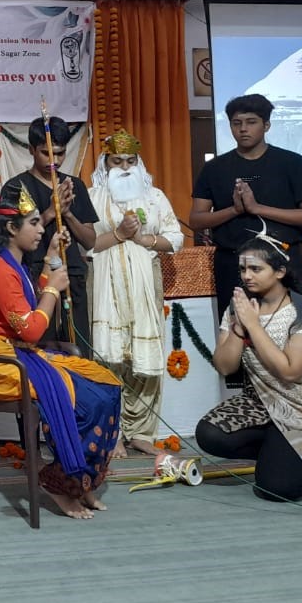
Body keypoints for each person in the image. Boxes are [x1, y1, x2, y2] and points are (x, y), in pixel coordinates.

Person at [0, 178, 123, 519]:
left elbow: (27, 308)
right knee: (83, 397)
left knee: (106, 387)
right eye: (34, 223)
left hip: (18, 355)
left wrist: (50, 259)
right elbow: (33, 329)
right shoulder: (0, 271)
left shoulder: (12, 265)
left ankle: (81, 480)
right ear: (11, 227)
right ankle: (61, 482)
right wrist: (52, 289)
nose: (41, 228)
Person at [195, 235, 302, 500]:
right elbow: (225, 367)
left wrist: (254, 325)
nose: (246, 276)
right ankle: (282, 453)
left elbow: (291, 371)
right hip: (263, 401)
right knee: (210, 434)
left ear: (280, 271)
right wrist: (239, 327)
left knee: (274, 489)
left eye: (255, 269)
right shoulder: (240, 308)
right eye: (242, 269)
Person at [88, 129, 184, 457]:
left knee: (145, 362)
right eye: (118, 161)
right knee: (108, 358)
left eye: (131, 161)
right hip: (104, 283)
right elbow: (84, 243)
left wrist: (145, 240)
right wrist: (118, 234)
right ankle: (110, 433)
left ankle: (142, 432)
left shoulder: (154, 197)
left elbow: (175, 237)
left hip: (145, 281)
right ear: (106, 163)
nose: (125, 167)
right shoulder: (92, 197)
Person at [189, 93, 302, 321]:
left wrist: (257, 208)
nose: (243, 129)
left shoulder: (291, 162)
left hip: (281, 261)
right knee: (236, 333)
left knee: (288, 331)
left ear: (266, 125)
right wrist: (235, 210)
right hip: (233, 264)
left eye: (251, 122)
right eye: (236, 123)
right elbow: (196, 220)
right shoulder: (215, 168)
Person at [9, 116, 97, 355]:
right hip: (35, 277)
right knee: (41, 350)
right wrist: (50, 212)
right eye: (46, 153)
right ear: (31, 150)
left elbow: (90, 241)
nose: (54, 161)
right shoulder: (16, 188)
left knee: (78, 351)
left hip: (72, 277)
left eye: (60, 153)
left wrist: (67, 214)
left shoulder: (75, 186)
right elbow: (11, 239)